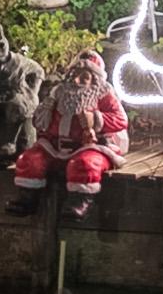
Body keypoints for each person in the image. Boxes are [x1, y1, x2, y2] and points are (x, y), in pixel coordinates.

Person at [10, 52, 129, 220]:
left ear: (95, 80)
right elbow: (40, 121)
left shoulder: (103, 95)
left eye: (84, 78)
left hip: (89, 146)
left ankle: (79, 201)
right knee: (30, 160)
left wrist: (96, 118)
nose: (76, 81)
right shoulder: (58, 95)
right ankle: (28, 198)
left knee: (84, 164)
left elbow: (120, 120)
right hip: (55, 145)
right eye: (73, 75)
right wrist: (45, 116)